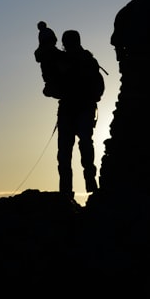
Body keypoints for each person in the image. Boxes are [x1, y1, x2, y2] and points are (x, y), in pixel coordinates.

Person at [53, 30, 105, 197]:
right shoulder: (88, 60)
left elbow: (53, 87)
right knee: (81, 147)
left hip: (73, 109)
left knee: (67, 152)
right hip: (80, 109)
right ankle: (87, 185)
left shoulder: (69, 60)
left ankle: (68, 192)